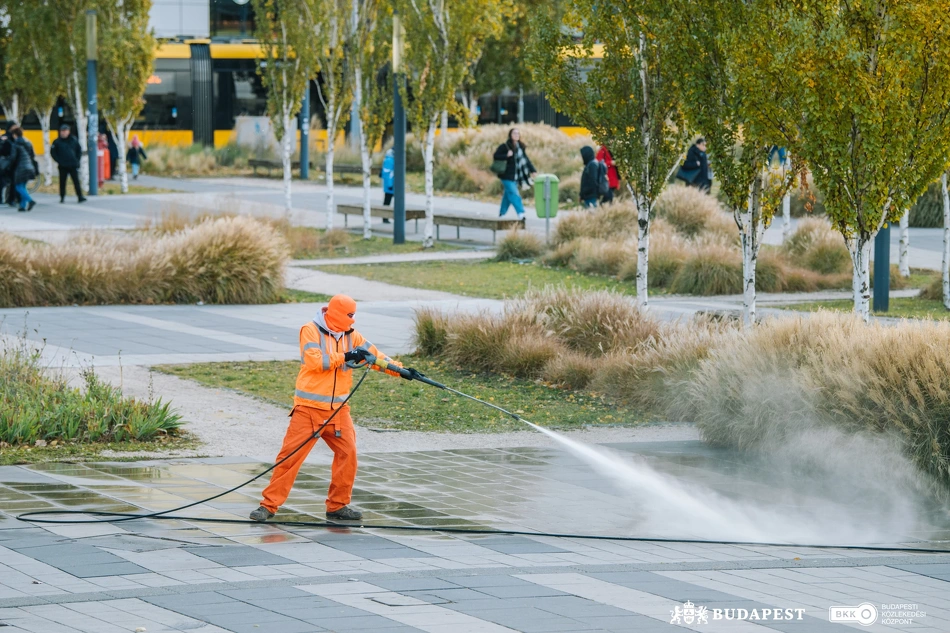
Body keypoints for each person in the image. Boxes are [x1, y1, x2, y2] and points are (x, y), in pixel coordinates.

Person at [249, 294, 409, 523]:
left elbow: (376, 357)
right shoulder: (310, 330)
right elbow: (314, 361)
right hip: (308, 409)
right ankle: (268, 507)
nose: (352, 321)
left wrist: (402, 370)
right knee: (289, 459)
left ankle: (338, 506)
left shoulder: (352, 336)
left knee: (348, 454)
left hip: (338, 411)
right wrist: (346, 356)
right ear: (336, 313)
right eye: (349, 315)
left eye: (354, 316)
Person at [493, 128, 536, 219]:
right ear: (510, 135)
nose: (516, 135)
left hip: (516, 176)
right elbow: (496, 156)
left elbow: (526, 160)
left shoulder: (520, 147)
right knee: (514, 194)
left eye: (518, 133)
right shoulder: (505, 146)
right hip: (506, 175)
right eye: (514, 133)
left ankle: (502, 214)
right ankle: (520, 213)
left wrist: (532, 170)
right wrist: (506, 155)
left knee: (507, 196)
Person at [50, 124, 86, 203]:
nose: (63, 133)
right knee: (62, 182)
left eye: (65, 131)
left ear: (68, 132)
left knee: (76, 181)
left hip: (73, 164)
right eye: (62, 131)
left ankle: (80, 196)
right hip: (62, 165)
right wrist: (59, 160)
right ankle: (62, 197)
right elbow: (53, 153)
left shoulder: (73, 140)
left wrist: (77, 160)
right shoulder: (57, 142)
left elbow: (79, 150)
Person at [8, 127, 37, 212]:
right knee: (23, 186)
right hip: (29, 166)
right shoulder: (27, 143)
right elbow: (32, 155)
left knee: (18, 187)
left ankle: (30, 201)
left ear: (14, 135)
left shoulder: (15, 144)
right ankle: (22, 206)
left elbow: (13, 158)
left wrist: (8, 165)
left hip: (21, 168)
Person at [380, 147, 394, 223]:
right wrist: (390, 185)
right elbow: (387, 174)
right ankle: (385, 217)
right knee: (387, 202)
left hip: (392, 185)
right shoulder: (389, 160)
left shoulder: (390, 159)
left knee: (389, 201)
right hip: (390, 186)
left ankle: (387, 217)